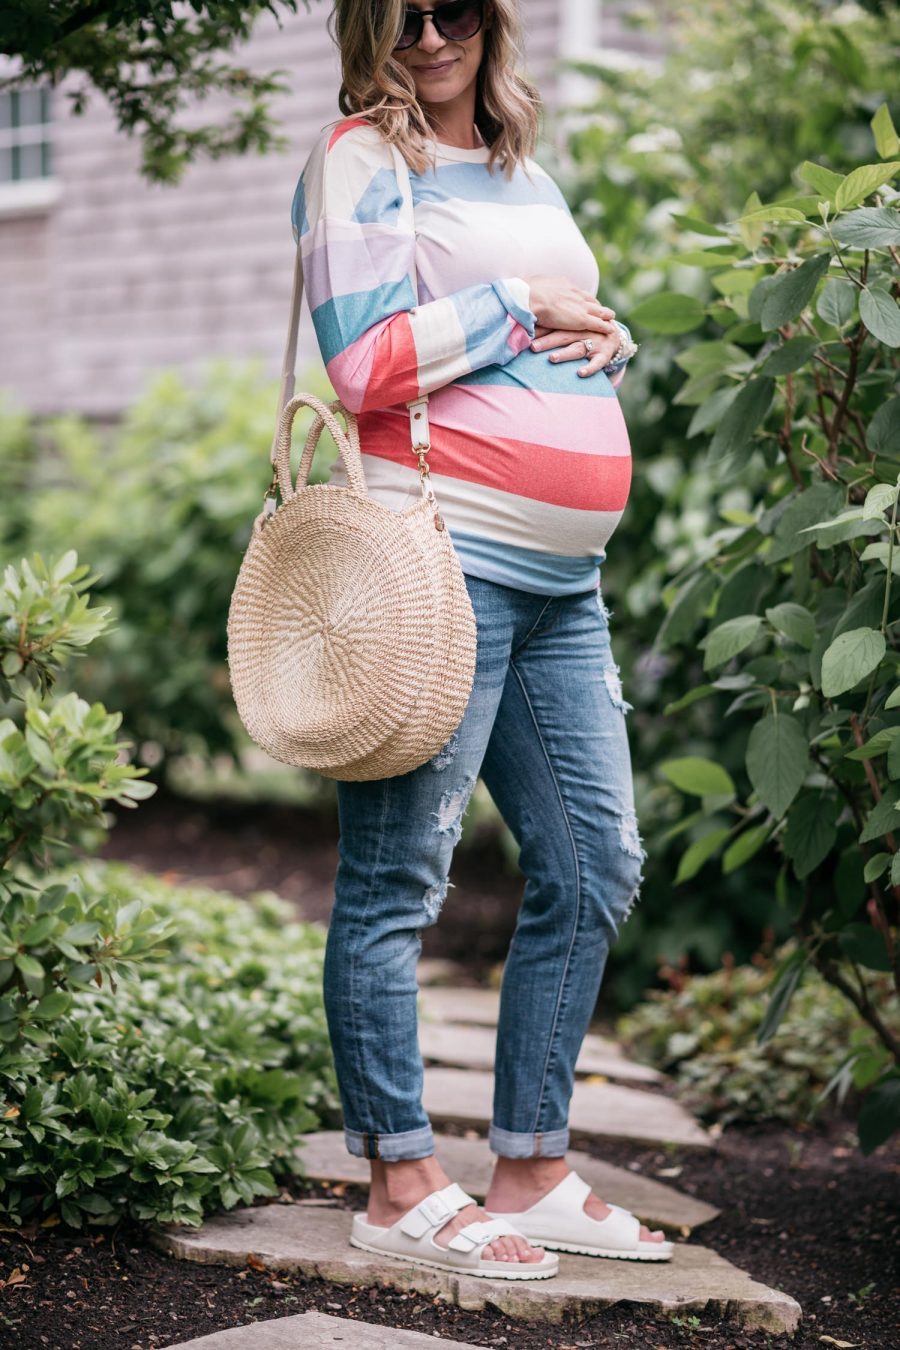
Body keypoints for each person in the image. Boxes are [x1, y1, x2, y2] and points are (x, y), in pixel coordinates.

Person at [290, 0, 672, 1278]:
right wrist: (521, 304)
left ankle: (532, 1166)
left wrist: (601, 338)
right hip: (442, 566)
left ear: (492, 20)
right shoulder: (361, 161)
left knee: (596, 860)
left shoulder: (522, 165)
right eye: (400, 16)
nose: (430, 37)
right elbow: (363, 363)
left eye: (452, 9)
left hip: (567, 580)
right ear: (367, 29)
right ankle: (399, 1179)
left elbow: (552, 327)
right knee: (400, 877)